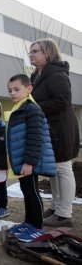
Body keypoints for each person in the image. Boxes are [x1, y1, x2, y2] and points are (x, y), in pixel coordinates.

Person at [29, 38, 80, 227]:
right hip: (48, 128)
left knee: (63, 169)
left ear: (48, 53)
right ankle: (56, 207)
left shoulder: (56, 74)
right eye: (31, 51)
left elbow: (62, 101)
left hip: (61, 129)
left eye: (35, 51)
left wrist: (34, 107)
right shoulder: (37, 76)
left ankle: (64, 214)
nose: (31, 54)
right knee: (53, 171)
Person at [6, 74, 56, 242]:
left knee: (33, 192)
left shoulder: (31, 109)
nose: (12, 93)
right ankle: (28, 222)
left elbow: (35, 137)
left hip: (28, 162)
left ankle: (38, 227)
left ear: (29, 89)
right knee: (27, 191)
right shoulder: (19, 109)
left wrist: (29, 162)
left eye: (16, 89)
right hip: (22, 161)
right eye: (10, 90)